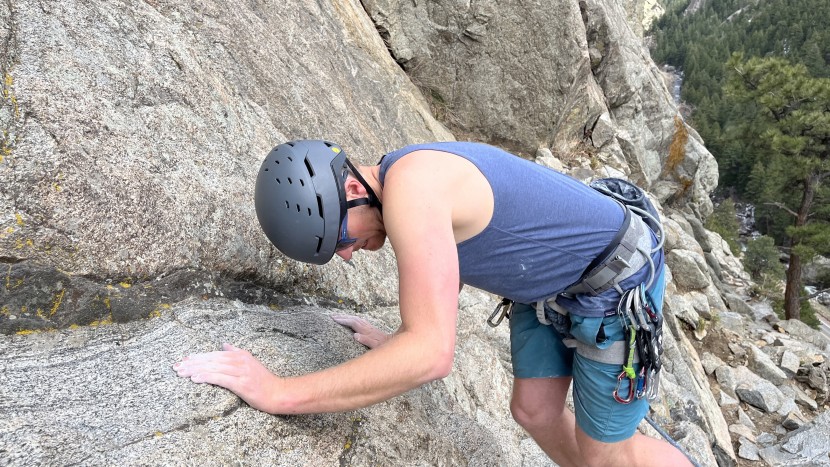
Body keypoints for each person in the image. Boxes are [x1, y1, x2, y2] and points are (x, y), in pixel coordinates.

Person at [174, 140, 691, 466]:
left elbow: (431, 355)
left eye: (339, 239)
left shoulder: (413, 190)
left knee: (608, 459)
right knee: (533, 412)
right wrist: (400, 341)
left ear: (353, 186)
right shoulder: (404, 180)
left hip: (613, 282)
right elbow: (447, 274)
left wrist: (278, 392)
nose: (349, 255)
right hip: (552, 284)